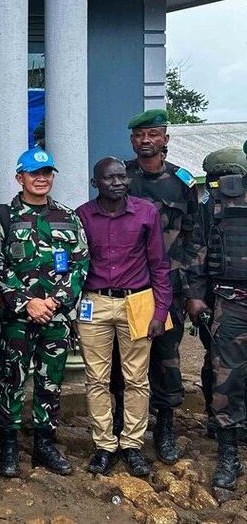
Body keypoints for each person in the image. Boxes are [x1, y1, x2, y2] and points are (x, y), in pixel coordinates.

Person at [0, 149, 89, 478]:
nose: (41, 179)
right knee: (11, 380)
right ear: (20, 178)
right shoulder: (4, 217)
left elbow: (80, 263)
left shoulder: (67, 216)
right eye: (34, 173)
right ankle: (8, 446)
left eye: (47, 173)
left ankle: (45, 444)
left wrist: (55, 302)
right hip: (18, 319)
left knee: (51, 381)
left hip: (55, 318)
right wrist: (27, 303)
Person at [76, 157, 169, 478]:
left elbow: (159, 265)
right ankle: (104, 445)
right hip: (95, 302)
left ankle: (131, 444)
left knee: (136, 379)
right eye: (109, 178)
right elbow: (75, 265)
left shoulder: (146, 213)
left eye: (121, 177)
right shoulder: (83, 216)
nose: (117, 182)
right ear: (95, 183)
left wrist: (160, 311)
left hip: (138, 301)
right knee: (96, 378)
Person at [115, 109, 198, 464]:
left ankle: (164, 427)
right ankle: (123, 427)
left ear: (165, 139)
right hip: (129, 286)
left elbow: (195, 237)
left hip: (170, 288)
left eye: (152, 134)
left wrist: (192, 290)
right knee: (124, 358)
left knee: (166, 359)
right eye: (139, 135)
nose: (145, 140)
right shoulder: (120, 177)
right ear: (132, 140)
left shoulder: (182, 182)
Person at [186, 140, 247, 489]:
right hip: (232, 301)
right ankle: (228, 454)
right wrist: (196, 296)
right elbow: (199, 250)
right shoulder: (220, 200)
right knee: (227, 376)